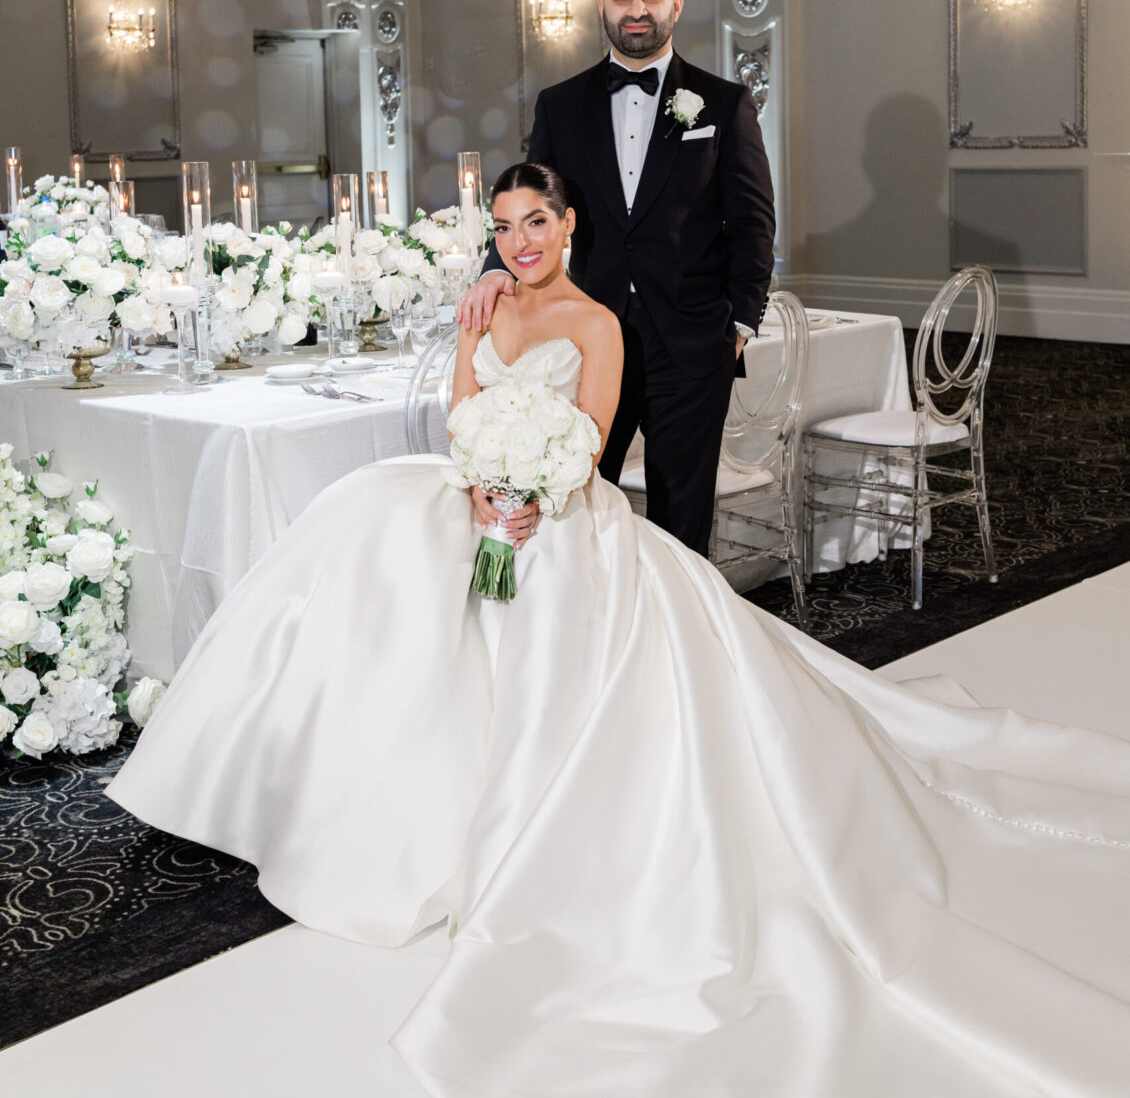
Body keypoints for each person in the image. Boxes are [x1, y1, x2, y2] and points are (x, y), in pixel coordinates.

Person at [108, 161, 1130, 1098]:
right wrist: (480, 482)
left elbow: (591, 444)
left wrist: (527, 493)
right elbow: (461, 411)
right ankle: (309, 796)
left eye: (535, 222)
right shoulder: (481, 308)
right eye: (503, 226)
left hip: (562, 511)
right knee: (361, 531)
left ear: (568, 226)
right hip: (475, 494)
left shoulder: (598, 322)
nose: (519, 241)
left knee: (537, 615)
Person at [458, 0, 775, 557]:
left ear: (676, 6)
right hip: (586, 338)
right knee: (572, 505)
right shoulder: (559, 104)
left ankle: (676, 622)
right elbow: (531, 204)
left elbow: (753, 223)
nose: (636, 9)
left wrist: (738, 324)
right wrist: (496, 271)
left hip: (691, 342)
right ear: (601, 5)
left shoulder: (724, 103)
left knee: (682, 522)